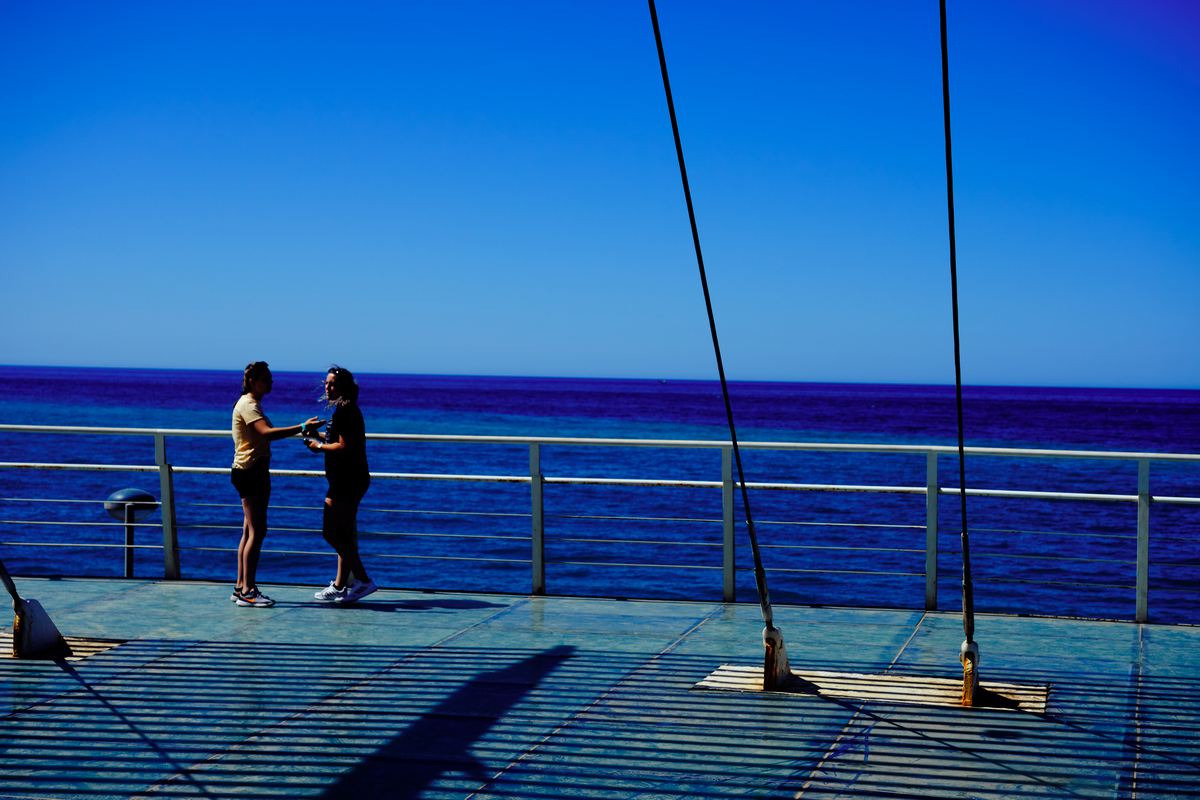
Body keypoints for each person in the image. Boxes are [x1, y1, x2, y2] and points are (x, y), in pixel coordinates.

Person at [231, 361, 324, 608]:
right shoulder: (249, 405)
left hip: (249, 470)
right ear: (253, 382)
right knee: (257, 531)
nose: (271, 382)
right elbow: (266, 432)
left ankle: (241, 586)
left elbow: (266, 432)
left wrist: (303, 430)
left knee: (249, 531)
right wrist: (303, 427)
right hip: (251, 471)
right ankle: (248, 592)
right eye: (267, 378)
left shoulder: (250, 403)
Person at [306, 366, 378, 603]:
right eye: (326, 383)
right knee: (343, 533)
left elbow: (345, 446)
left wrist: (319, 447)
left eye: (333, 384)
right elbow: (335, 442)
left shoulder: (346, 411)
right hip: (349, 478)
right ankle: (339, 585)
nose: (328, 387)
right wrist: (315, 439)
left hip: (347, 480)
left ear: (344, 387)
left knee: (330, 532)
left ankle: (363, 580)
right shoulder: (343, 410)